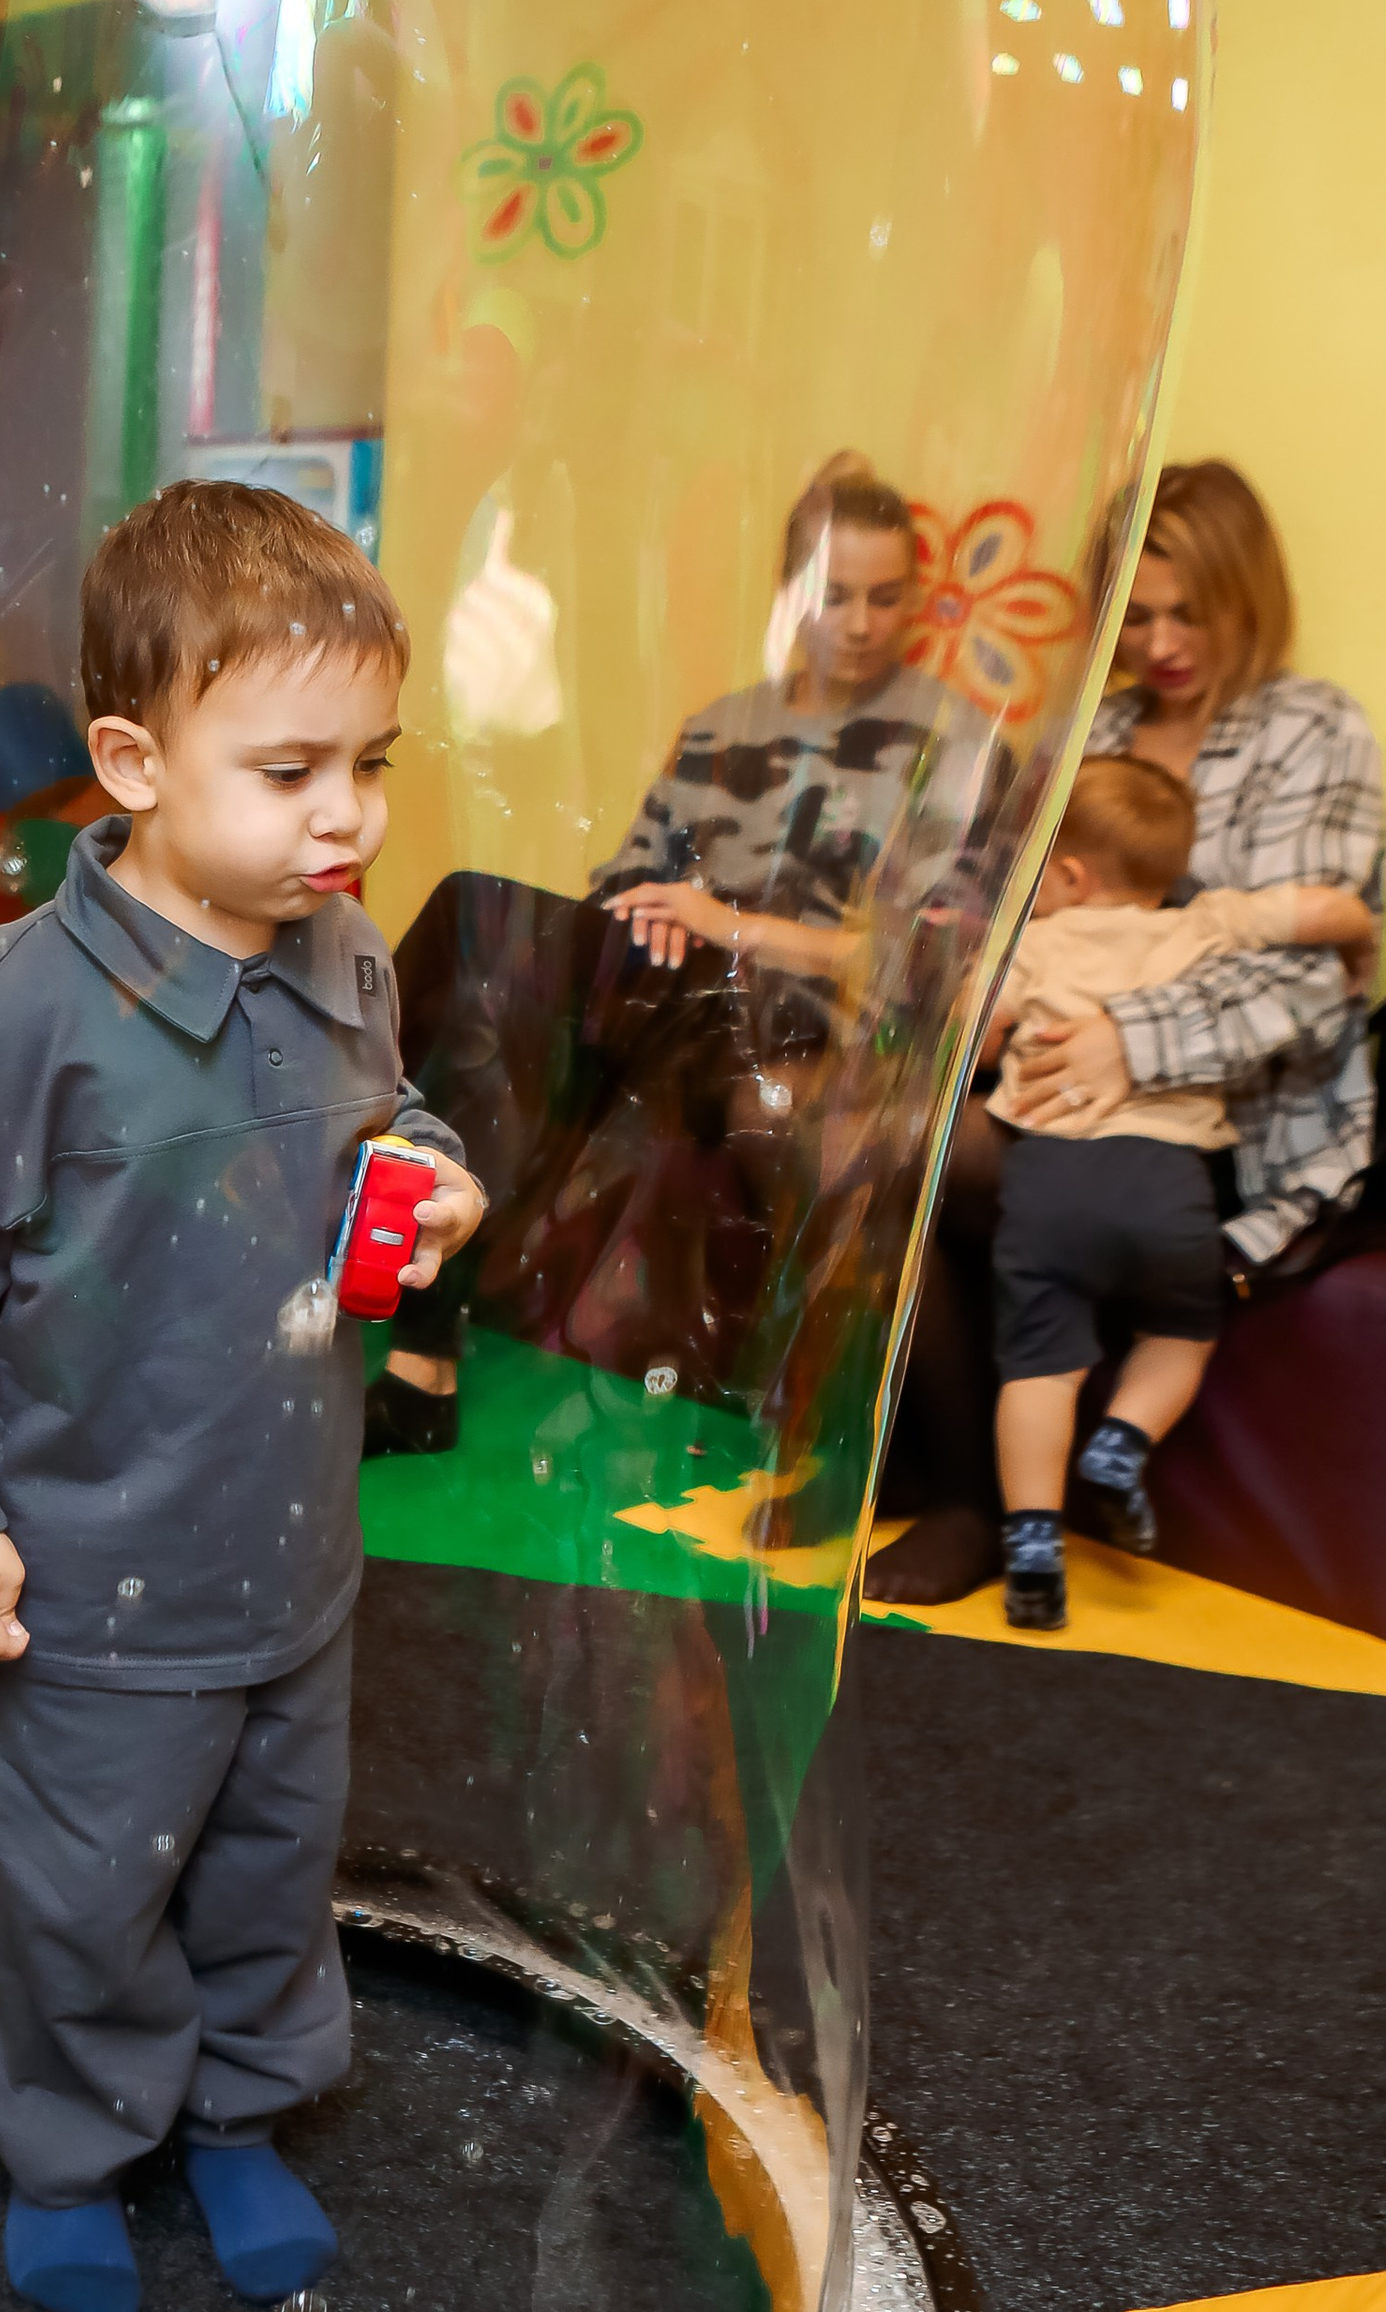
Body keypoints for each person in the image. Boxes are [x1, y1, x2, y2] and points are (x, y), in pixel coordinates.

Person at [0, 485, 482, 2312]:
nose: (345, 813)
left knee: (273, 1862)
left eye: (371, 761)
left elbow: (388, 1115)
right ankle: (70, 2146)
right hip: (92, 1582)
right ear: (130, 761)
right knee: (86, 1887)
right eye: (287, 771)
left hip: (291, 1561)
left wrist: (429, 1173)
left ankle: (241, 2116)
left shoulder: (344, 947)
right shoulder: (39, 1007)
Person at [368, 451, 995, 1455]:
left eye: (886, 597)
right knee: (472, 936)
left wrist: (725, 926)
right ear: (793, 594)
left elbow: (918, 965)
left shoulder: (950, 738)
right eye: (837, 596)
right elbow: (626, 880)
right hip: (670, 984)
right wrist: (658, 914)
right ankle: (410, 1307)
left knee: (479, 949)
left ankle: (385, 1272)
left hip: (794, 1009)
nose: (864, 622)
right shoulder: (721, 727)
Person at [874, 459, 1384, 1604]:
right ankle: (942, 1482)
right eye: (1136, 616)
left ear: (1248, 593)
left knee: (936, 1152)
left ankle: (971, 1502)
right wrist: (985, 990)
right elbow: (1019, 908)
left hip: (1232, 1122)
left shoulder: (1312, 732)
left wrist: (1125, 1038)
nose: (1162, 645)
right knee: (884, 1134)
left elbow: (1307, 984)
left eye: (1190, 612)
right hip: (1064, 1085)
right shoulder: (1094, 731)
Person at [981, 758, 1374, 1629]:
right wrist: (1359, 944)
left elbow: (976, 1030)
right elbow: (1322, 908)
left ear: (1072, 877)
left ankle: (1033, 1554)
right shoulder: (1207, 922)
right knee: (1181, 1334)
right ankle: (1123, 1442)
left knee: (1040, 1370)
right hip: (1169, 1187)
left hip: (1051, 1181)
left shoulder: (1036, 942)